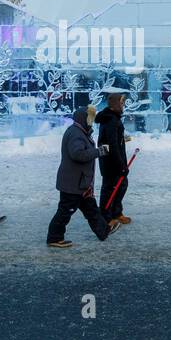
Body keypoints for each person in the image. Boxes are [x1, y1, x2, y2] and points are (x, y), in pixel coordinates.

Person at [47, 106, 120, 248]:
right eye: (90, 118)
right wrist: (99, 151)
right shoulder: (76, 134)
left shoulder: (81, 132)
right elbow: (78, 154)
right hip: (73, 183)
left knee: (91, 208)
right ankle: (54, 238)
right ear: (84, 119)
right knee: (65, 211)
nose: (92, 122)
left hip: (81, 182)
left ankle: (103, 231)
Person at [96, 92, 132, 226]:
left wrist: (122, 138)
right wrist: (121, 165)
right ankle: (106, 216)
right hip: (111, 162)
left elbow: (113, 140)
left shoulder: (113, 118)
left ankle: (116, 212)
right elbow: (112, 145)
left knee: (121, 185)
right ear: (116, 104)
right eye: (121, 102)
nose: (123, 105)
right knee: (110, 188)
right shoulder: (111, 120)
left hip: (112, 160)